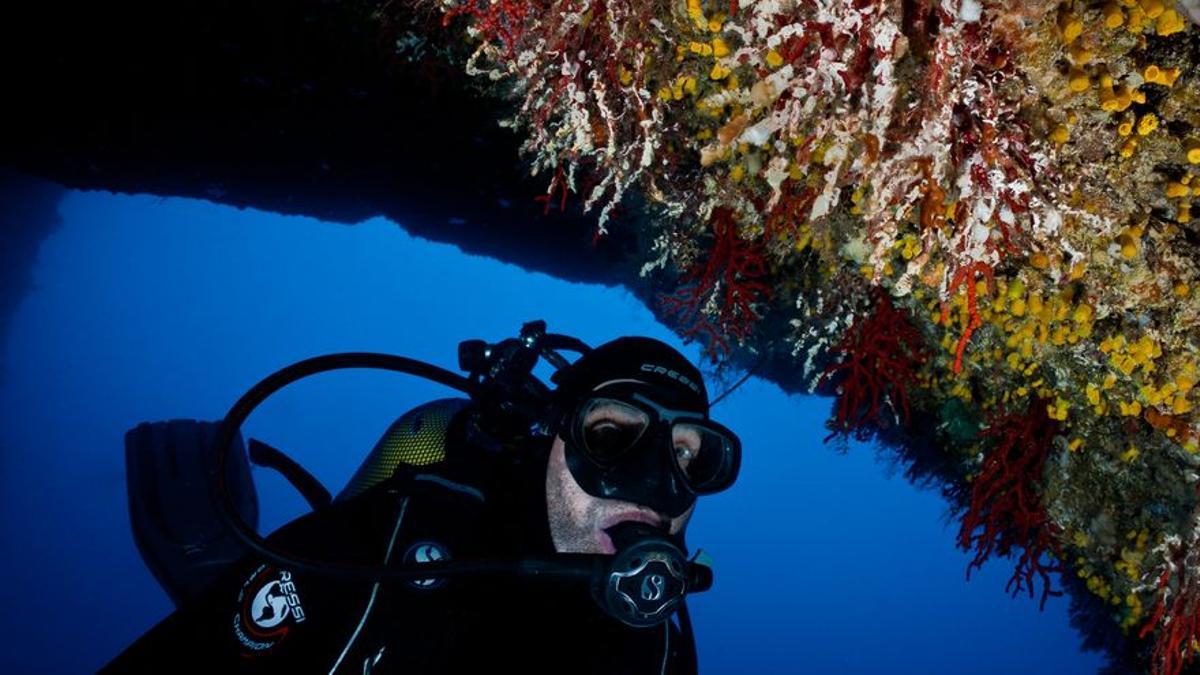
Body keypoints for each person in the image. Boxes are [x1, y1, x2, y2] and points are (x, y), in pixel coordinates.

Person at [101, 335, 740, 674]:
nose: (659, 487)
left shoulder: (656, 651)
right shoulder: (388, 541)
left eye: (692, 458)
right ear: (550, 437)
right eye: (611, 435)